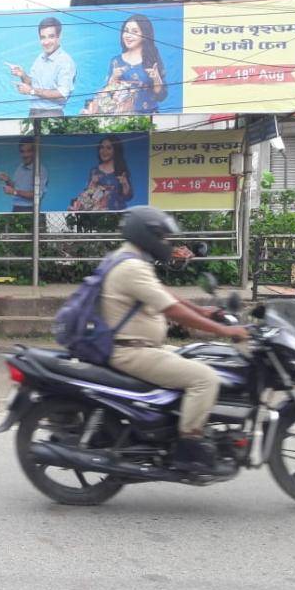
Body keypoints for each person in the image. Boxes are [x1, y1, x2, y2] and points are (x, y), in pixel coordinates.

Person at [101, 206, 248, 475]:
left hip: (139, 347)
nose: (166, 244)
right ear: (147, 236)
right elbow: (172, 310)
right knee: (204, 378)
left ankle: (173, 427)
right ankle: (188, 450)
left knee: (197, 355)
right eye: (163, 238)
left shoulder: (129, 258)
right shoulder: (131, 266)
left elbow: (164, 295)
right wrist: (224, 331)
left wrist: (202, 311)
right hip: (131, 351)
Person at [82, 14, 167, 115]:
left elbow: (161, 96)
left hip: (148, 118)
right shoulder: (116, 61)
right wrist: (113, 78)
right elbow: (107, 95)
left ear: (145, 35)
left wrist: (156, 78)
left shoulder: (152, 60)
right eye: (126, 31)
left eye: (135, 32)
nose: (128, 35)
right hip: (121, 120)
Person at [7, 16, 77, 117]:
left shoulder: (65, 62)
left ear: (59, 36)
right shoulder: (40, 58)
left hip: (52, 115)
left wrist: (31, 91)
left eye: (51, 36)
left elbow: (62, 95)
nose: (46, 42)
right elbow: (33, 83)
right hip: (33, 112)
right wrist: (22, 75)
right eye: (43, 37)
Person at [68, 135, 133, 212]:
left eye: (109, 148)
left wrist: (125, 184)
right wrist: (93, 183)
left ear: (115, 150)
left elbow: (127, 197)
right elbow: (88, 196)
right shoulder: (95, 171)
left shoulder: (121, 171)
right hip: (98, 215)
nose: (104, 151)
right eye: (102, 147)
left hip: (118, 214)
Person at [0, 138, 48, 213]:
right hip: (16, 207)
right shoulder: (20, 167)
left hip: (30, 209)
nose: (25, 155)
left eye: (29, 151)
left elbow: (37, 195)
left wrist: (14, 192)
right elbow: (16, 187)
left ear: (35, 152)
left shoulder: (40, 170)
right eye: (22, 151)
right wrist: (7, 180)